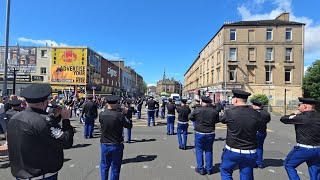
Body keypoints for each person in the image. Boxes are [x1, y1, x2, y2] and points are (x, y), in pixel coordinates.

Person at [7, 84, 74, 180]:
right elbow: (66, 142)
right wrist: (66, 119)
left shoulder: (15, 118)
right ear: (44, 102)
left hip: (21, 174)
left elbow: (38, 133)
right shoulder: (42, 121)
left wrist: (54, 117)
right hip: (42, 175)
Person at [219, 90, 263, 180]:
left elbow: (222, 120)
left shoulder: (229, 112)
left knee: (225, 171)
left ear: (235, 100)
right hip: (249, 151)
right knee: (246, 175)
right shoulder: (256, 114)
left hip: (232, 150)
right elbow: (261, 130)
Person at [280, 97, 320, 180]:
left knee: (288, 164)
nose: (298, 107)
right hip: (318, 149)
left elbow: (283, 119)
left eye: (300, 105)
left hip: (304, 149)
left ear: (305, 107)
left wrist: (295, 113)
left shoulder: (301, 117)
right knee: (315, 170)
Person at [99, 95, 132, 180]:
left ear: (107, 103)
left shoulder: (102, 114)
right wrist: (126, 114)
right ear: (116, 103)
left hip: (104, 143)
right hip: (116, 144)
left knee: (104, 166)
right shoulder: (119, 115)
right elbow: (129, 125)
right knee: (115, 168)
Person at [188, 96, 219, 175]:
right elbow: (217, 120)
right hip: (210, 133)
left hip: (200, 132)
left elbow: (190, 117)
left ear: (203, 102)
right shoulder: (214, 111)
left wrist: (197, 120)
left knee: (199, 150)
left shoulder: (197, 110)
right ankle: (209, 169)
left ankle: (201, 168)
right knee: (209, 151)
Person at [251, 99, 271, 169]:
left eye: (253, 105)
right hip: (262, 131)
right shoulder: (266, 113)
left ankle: (253, 162)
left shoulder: (253, 113)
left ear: (256, 106)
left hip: (253, 132)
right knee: (260, 147)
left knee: (252, 147)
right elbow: (268, 120)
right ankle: (259, 163)